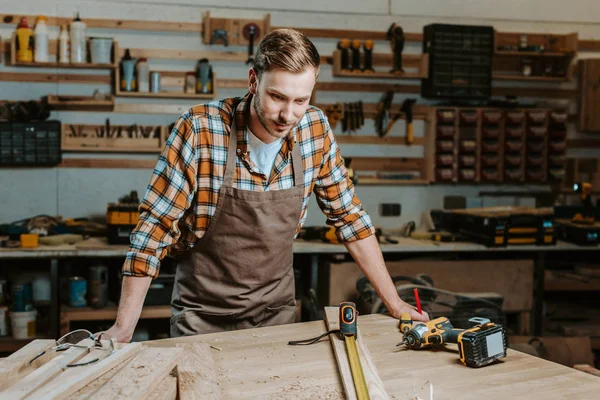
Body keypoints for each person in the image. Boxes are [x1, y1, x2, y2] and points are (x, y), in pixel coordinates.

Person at [104, 28, 429, 342]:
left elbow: (350, 219)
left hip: (276, 318)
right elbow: (154, 229)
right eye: (277, 97)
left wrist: (395, 304)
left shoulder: (314, 130)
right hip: (201, 318)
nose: (288, 115)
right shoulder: (201, 128)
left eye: (301, 100)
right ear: (252, 81)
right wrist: (123, 329)